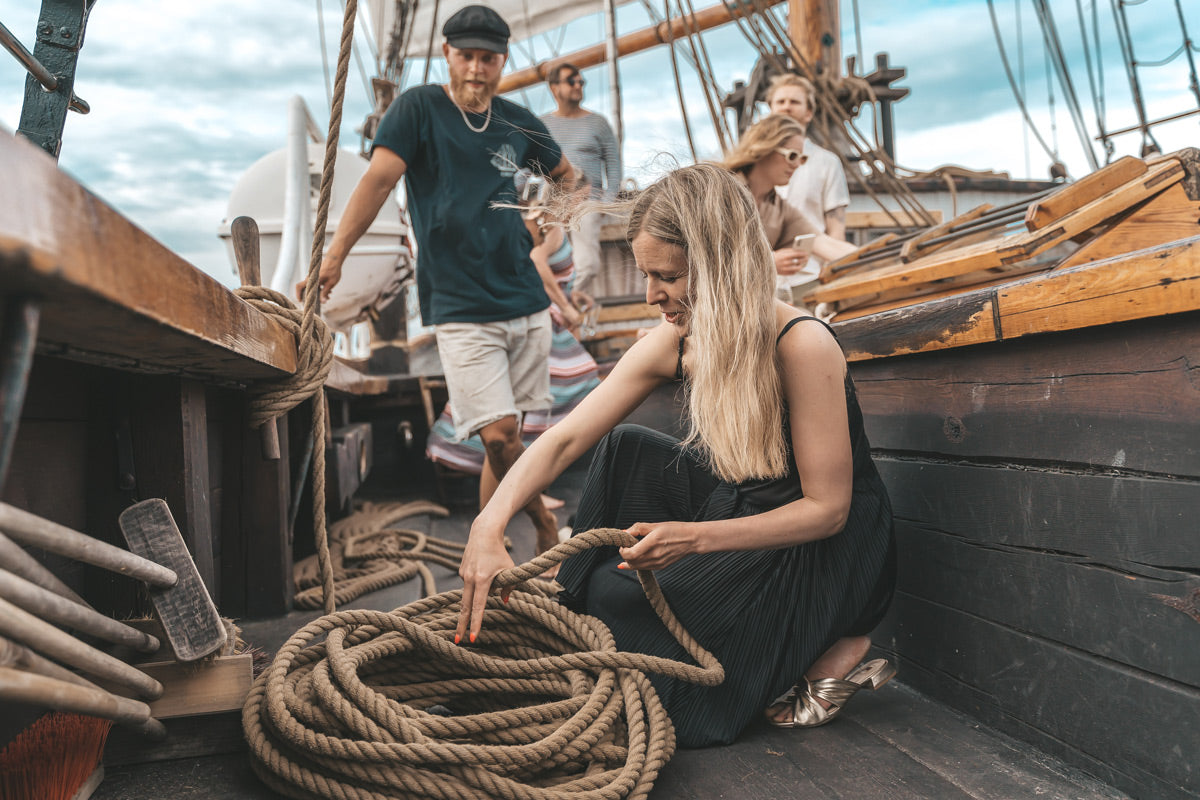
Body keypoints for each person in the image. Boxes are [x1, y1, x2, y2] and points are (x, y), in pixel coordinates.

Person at [455, 163, 896, 747]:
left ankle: (842, 639)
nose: (650, 295)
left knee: (652, 663)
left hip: (819, 545)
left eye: (665, 276)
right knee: (624, 452)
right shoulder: (678, 338)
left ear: (719, 266)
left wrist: (691, 538)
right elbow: (563, 439)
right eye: (646, 274)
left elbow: (828, 510)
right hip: (737, 503)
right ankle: (580, 614)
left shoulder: (802, 344)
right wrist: (488, 525)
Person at [311, 5, 574, 554]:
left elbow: (571, 180)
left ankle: (487, 541)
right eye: (467, 57)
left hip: (524, 303)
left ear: (502, 61)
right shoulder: (419, 109)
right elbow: (379, 183)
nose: (477, 69)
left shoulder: (519, 120)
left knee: (509, 439)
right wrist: (335, 256)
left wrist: (550, 226)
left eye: (488, 59)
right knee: (499, 436)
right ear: (447, 55)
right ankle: (545, 533)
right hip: (459, 307)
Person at [426, 172, 602, 507]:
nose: (584, 203)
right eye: (582, 197)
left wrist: (573, 296)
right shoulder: (550, 226)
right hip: (540, 322)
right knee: (545, 403)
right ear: (570, 195)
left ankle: (528, 490)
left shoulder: (544, 224)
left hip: (540, 318)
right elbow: (536, 263)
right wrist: (566, 307)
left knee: (534, 410)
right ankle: (530, 492)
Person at [721, 114, 856, 301]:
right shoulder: (721, 192)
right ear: (764, 148)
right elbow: (709, 257)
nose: (796, 165)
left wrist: (877, 258)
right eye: (791, 156)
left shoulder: (778, 208)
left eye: (802, 159)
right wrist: (768, 262)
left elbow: (822, 243)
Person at [765, 74, 851, 301]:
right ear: (770, 109)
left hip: (809, 278)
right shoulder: (757, 165)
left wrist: (835, 270)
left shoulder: (827, 162)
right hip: (762, 280)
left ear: (808, 112)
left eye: (794, 102)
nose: (786, 107)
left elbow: (835, 228)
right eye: (780, 102)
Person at [540, 62, 623, 296]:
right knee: (539, 259)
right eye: (571, 81)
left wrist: (604, 203)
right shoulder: (542, 125)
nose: (578, 85)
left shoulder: (598, 123)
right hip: (551, 202)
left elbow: (614, 169)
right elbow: (527, 169)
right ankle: (558, 304)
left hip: (587, 203)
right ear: (554, 88)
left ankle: (561, 302)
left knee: (587, 265)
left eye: (581, 82)